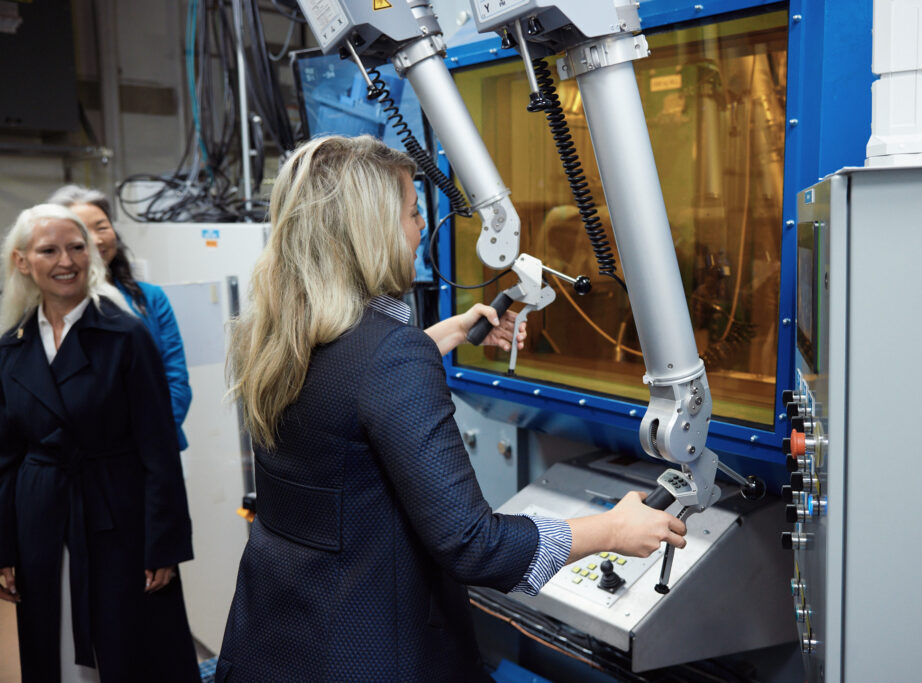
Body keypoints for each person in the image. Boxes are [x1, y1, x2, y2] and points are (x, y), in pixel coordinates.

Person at [215, 135, 687, 681]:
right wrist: (611, 529)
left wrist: (441, 336)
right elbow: (473, 544)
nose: (421, 228)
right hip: (367, 656)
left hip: (276, 639)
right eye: (413, 213)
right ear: (370, 231)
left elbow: (344, 390)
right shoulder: (390, 357)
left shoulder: (273, 335)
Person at [0, 204, 200, 682]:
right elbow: (4, 459)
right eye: (49, 250)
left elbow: (158, 448)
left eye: (76, 248)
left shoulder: (126, 334)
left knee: (129, 647)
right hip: (41, 516)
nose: (66, 260)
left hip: (118, 514)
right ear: (23, 261)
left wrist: (163, 546)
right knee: (55, 643)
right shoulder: (13, 346)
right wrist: (4, 546)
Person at [48, 185, 193, 451]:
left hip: (154, 450)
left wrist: (150, 441)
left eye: (102, 227)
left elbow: (176, 381)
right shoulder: (50, 308)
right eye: (81, 230)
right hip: (80, 461)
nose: (96, 240)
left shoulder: (150, 298)